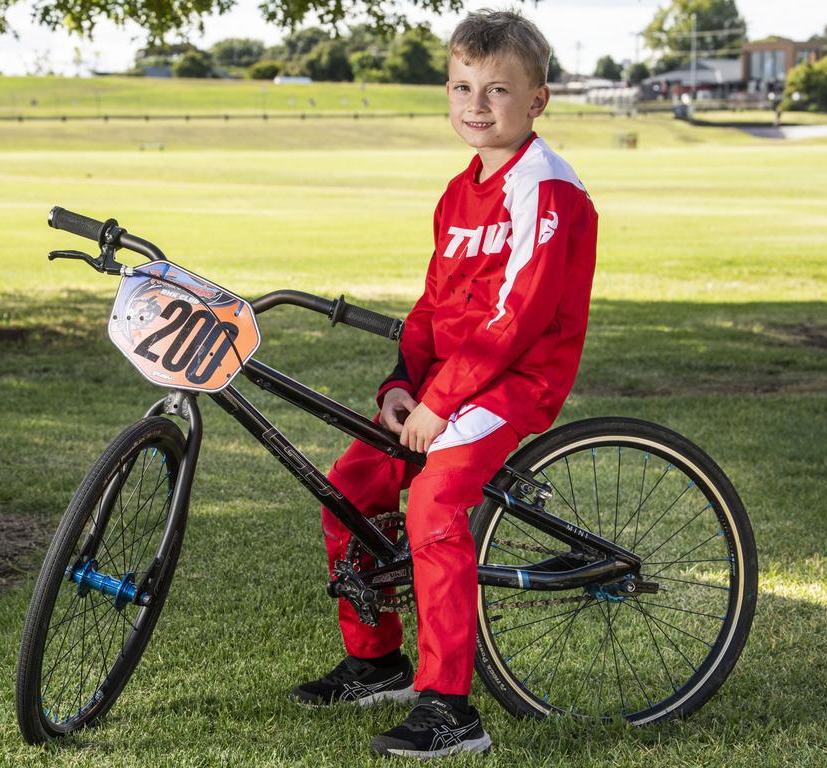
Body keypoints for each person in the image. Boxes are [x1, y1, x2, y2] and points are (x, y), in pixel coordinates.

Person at [289, 8, 598, 758]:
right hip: (445, 385)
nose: (475, 105)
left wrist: (440, 401)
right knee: (350, 486)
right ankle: (376, 661)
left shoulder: (547, 189)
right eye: (463, 87)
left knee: (432, 503)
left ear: (537, 101)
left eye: (497, 90)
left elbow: (517, 320)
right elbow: (433, 305)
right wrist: (403, 381)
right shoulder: (459, 193)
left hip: (511, 385)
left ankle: (451, 709)